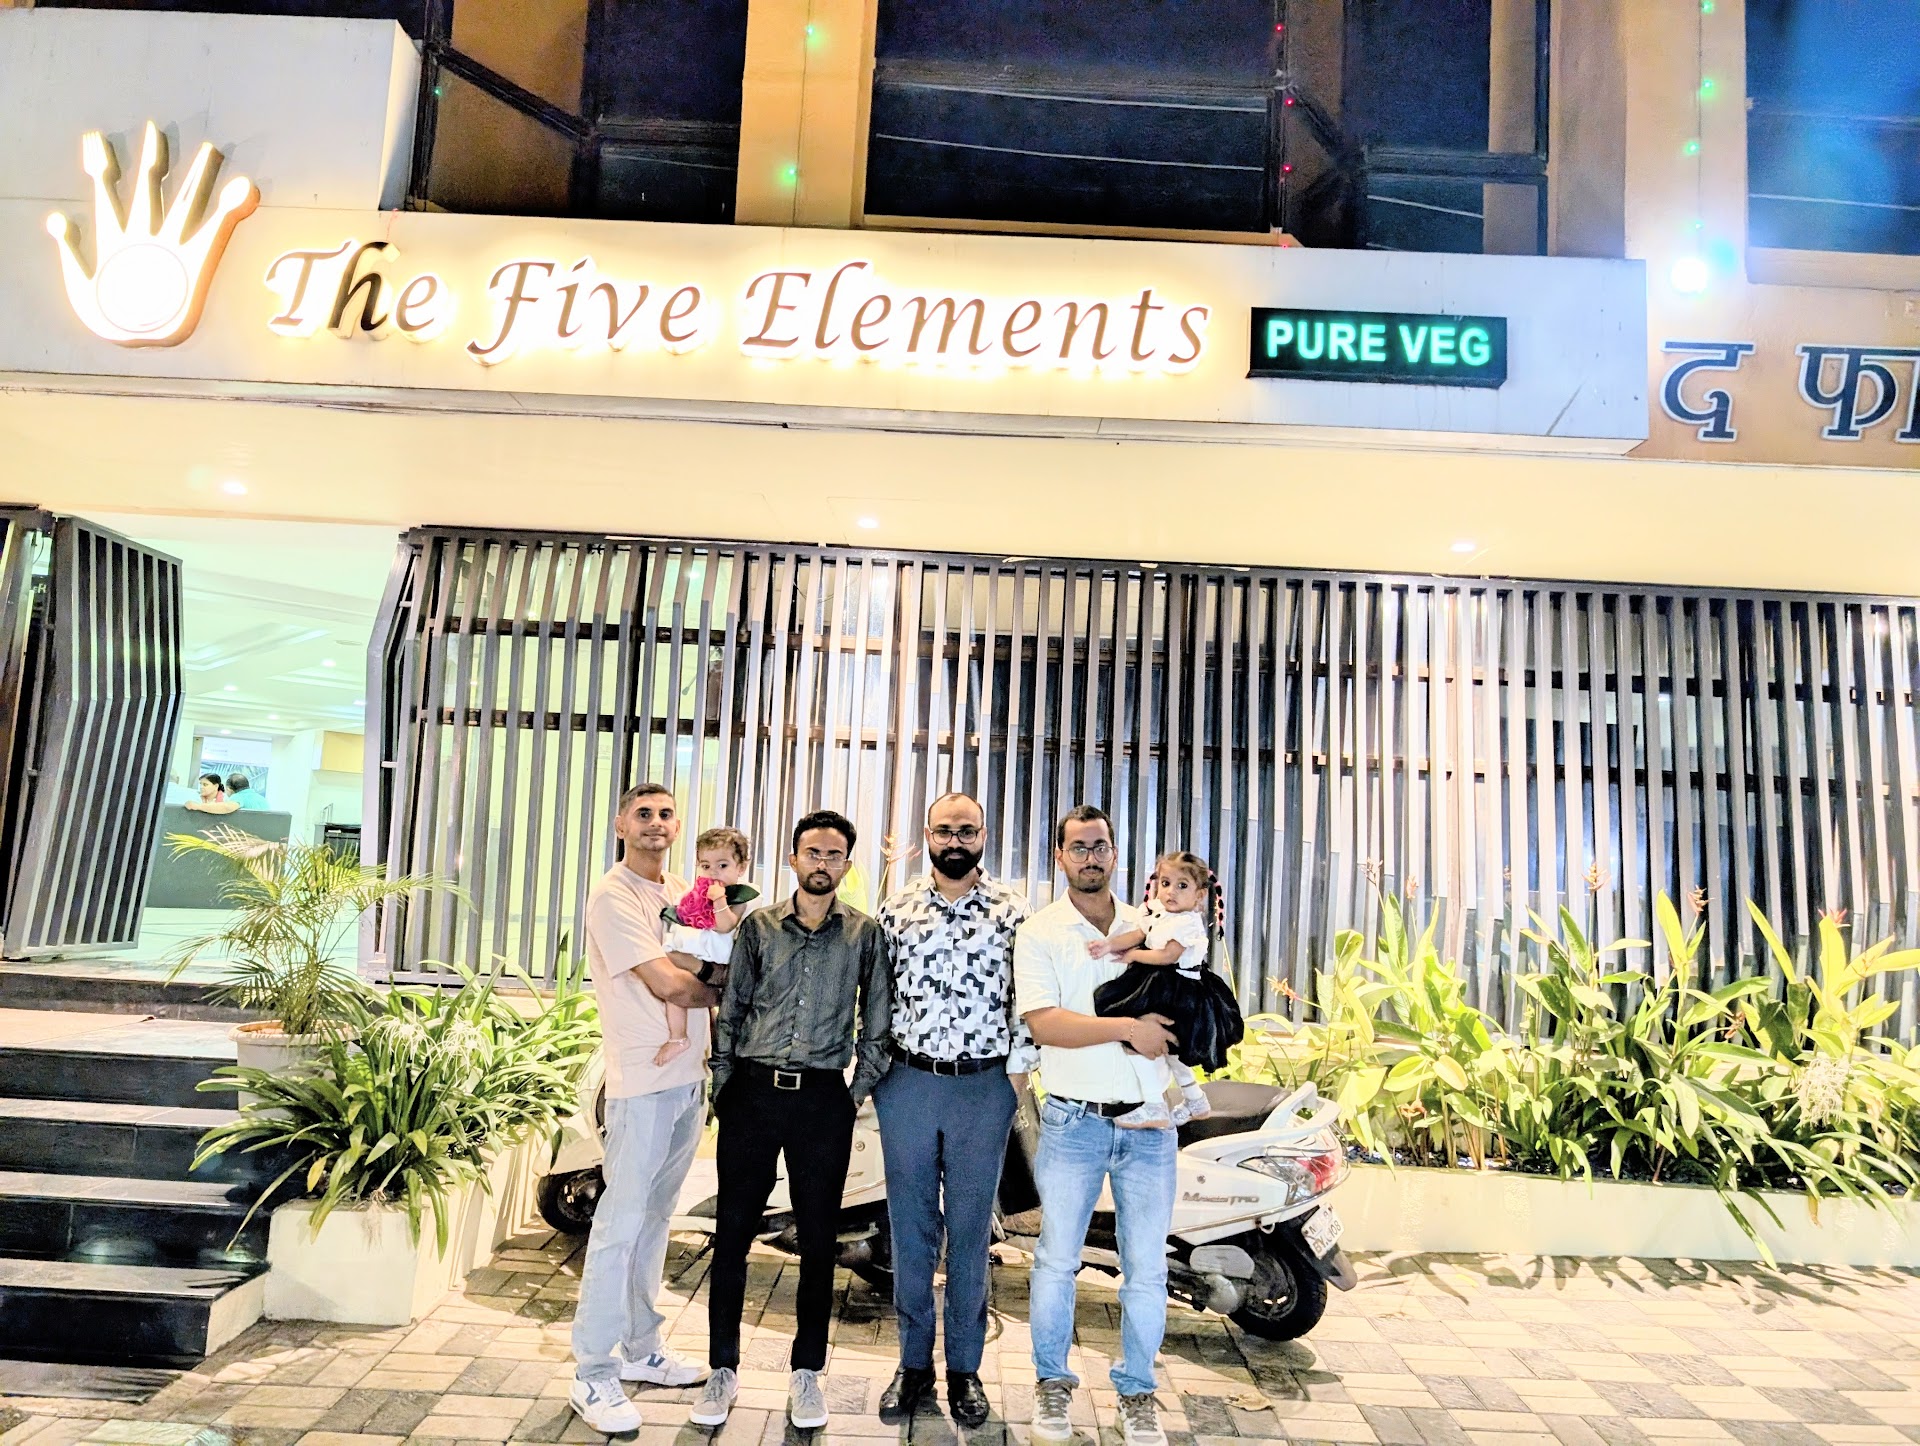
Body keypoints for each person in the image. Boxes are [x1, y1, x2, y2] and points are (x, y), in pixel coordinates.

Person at [692, 809, 893, 1435]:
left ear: (846, 865)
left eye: (833, 855)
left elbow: (878, 1024)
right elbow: (733, 1008)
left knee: (817, 1241)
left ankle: (807, 1372)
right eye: (812, 852)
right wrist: (724, 1086)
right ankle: (722, 1368)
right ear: (793, 858)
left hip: (821, 1102)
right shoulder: (758, 927)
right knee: (732, 1235)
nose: (822, 863)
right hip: (752, 1095)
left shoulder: (864, 934)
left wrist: (851, 1094)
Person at [1014, 804, 1179, 1446]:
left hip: (1148, 1127)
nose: (1090, 857)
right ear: (1060, 857)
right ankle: (1052, 1385)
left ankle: (1137, 1393)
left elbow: (1180, 1008)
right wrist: (1128, 1029)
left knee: (1148, 1270)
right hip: (1072, 1122)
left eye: (1100, 845)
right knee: (1057, 1261)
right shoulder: (1040, 932)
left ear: (1115, 853)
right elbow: (1045, 1024)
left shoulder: (1153, 928)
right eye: (1078, 847)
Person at [871, 792, 1032, 1429]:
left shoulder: (1014, 910)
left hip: (983, 1089)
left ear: (984, 835)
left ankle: (965, 1368)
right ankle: (913, 1365)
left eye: (967, 830)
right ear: (928, 835)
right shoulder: (897, 908)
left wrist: (1018, 1075)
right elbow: (876, 995)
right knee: (910, 1231)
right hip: (908, 1085)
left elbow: (1028, 997)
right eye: (944, 831)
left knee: (970, 1235)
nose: (956, 841)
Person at [569, 783, 722, 1436]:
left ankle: (640, 1348)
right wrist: (723, 986)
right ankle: (592, 1372)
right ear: (620, 825)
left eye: (665, 814)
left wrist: (710, 978)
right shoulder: (614, 895)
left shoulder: (682, 890)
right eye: (643, 814)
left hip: (688, 1080)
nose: (655, 824)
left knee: (656, 1220)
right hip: (641, 1083)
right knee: (619, 1225)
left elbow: (709, 961)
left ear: (677, 826)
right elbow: (669, 983)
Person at [1089, 850, 1245, 1129]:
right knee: (1170, 1050)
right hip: (1161, 983)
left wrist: (1133, 955)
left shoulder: (1187, 923)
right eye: (1165, 883)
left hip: (1180, 991)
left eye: (1182, 885)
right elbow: (1138, 934)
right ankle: (1195, 1100)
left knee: (1137, 1040)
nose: (1171, 891)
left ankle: (1154, 1105)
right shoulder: (1157, 912)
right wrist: (1110, 945)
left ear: (1199, 895)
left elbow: (1167, 956)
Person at [655, 825, 753, 1066]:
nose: (713, 873)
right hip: (693, 949)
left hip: (715, 957)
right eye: (706, 866)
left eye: (723, 865)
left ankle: (708, 1042)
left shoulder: (740, 895)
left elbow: (725, 925)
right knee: (675, 989)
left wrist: (718, 899)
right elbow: (684, 913)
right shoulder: (694, 890)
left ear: (741, 868)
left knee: (704, 999)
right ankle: (678, 1036)